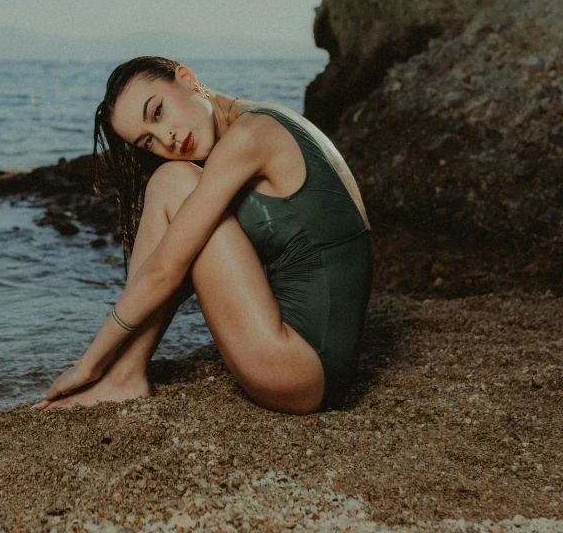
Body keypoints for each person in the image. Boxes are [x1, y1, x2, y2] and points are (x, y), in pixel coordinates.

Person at [34, 56, 372, 414]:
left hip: (295, 369)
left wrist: (88, 365)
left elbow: (165, 270)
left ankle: (122, 375)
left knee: (171, 182)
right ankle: (125, 372)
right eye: (148, 142)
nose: (168, 138)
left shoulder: (249, 137)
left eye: (159, 112)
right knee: (177, 203)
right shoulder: (261, 117)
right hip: (320, 370)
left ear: (186, 77)